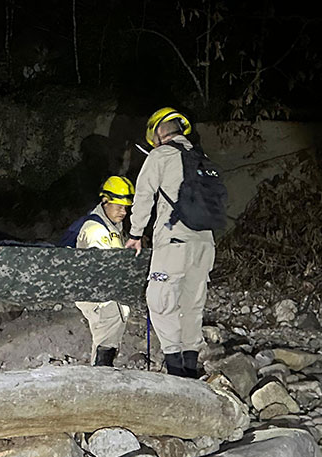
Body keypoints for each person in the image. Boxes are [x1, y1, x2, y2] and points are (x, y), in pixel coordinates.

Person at [125, 108, 215, 378]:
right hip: (205, 243)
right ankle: (190, 366)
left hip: (174, 241)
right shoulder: (202, 158)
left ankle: (175, 369)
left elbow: (144, 196)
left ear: (157, 131)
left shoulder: (160, 155)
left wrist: (135, 234)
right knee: (192, 304)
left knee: (160, 300)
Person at [68, 176, 135, 366]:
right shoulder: (95, 230)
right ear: (105, 201)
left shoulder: (112, 225)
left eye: (126, 207)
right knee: (106, 339)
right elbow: (102, 269)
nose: (124, 211)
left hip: (108, 294)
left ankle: (102, 374)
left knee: (110, 337)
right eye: (119, 206)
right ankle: (99, 375)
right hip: (98, 297)